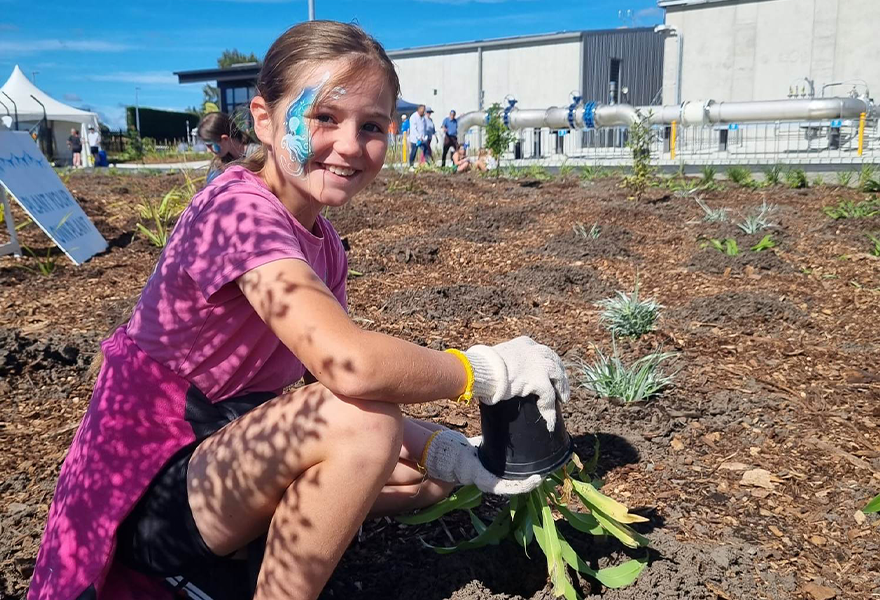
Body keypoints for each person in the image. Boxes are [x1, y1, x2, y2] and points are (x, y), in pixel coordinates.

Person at [28, 20, 569, 600]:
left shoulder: (324, 245)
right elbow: (349, 367)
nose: (350, 144)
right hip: (146, 485)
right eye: (325, 117)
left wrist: (449, 456)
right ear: (264, 120)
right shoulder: (235, 210)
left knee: (425, 476)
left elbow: (333, 387)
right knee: (368, 429)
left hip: (218, 458)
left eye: (371, 126)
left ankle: (236, 566)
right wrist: (484, 371)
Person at [198, 111, 261, 183]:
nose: (208, 150)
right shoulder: (218, 164)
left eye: (210, 145)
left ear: (225, 139)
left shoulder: (259, 155)